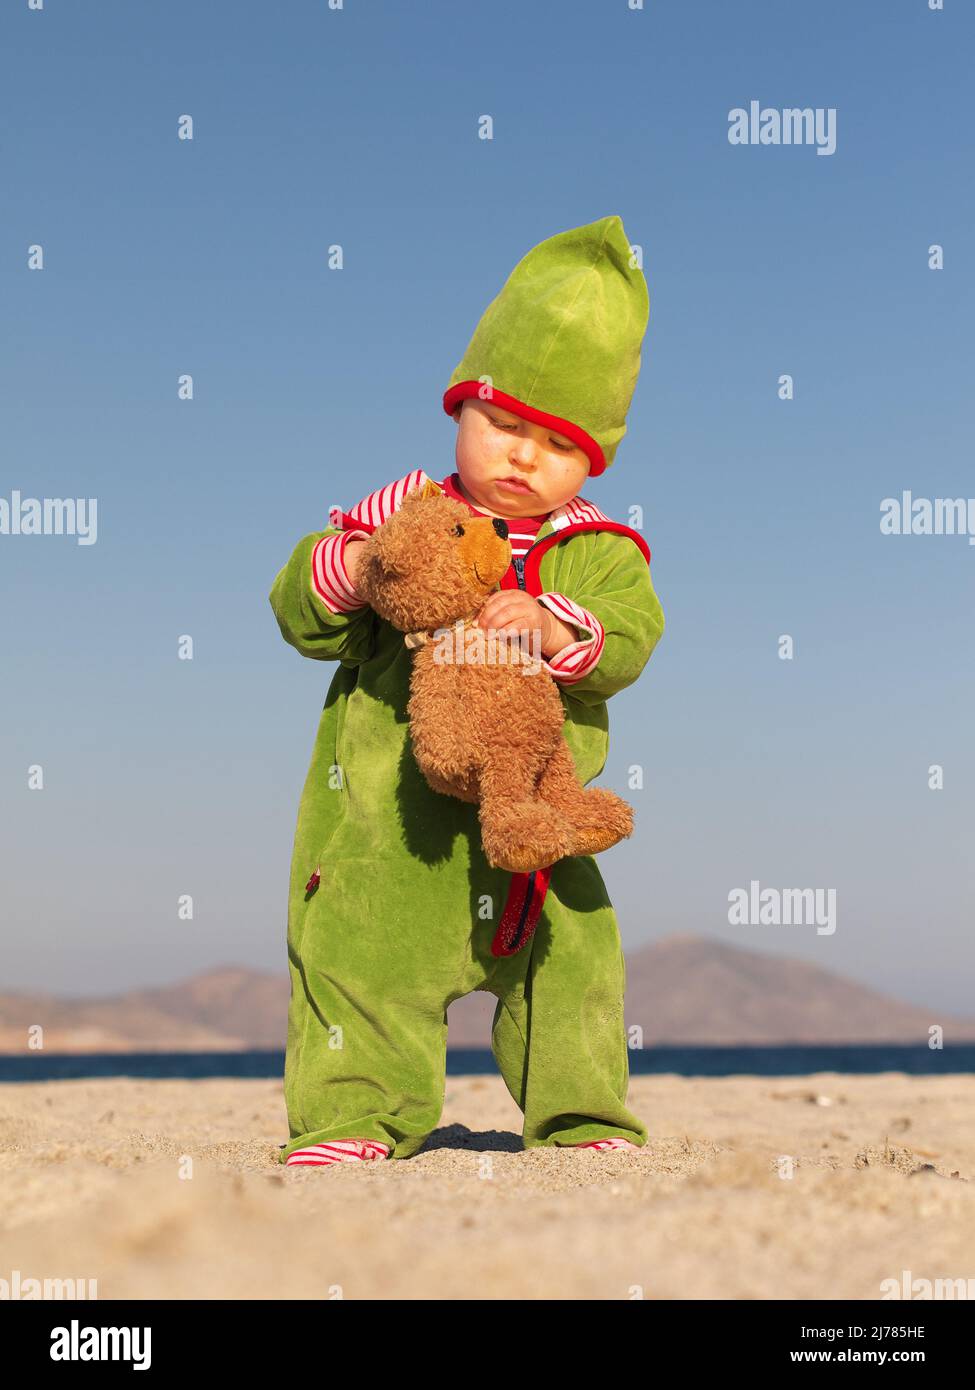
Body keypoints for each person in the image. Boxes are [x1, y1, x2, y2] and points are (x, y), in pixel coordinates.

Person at [269, 215, 665, 1167]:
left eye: (556, 443)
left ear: (593, 460)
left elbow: (633, 637)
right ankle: (355, 1119)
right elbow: (300, 614)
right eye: (503, 425)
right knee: (361, 968)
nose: (523, 456)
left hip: (533, 819)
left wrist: (561, 622)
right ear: (458, 413)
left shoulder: (599, 550)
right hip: (387, 829)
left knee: (571, 968)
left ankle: (579, 1119)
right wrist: (353, 567)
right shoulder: (397, 521)